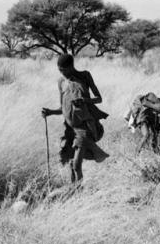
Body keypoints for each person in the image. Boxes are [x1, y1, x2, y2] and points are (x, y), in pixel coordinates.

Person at [42, 54, 109, 184]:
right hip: (70, 128)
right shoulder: (61, 82)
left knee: (76, 165)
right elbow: (63, 108)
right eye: (60, 70)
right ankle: (75, 190)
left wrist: (85, 101)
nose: (62, 73)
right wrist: (50, 112)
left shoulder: (85, 76)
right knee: (71, 162)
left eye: (64, 70)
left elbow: (99, 98)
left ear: (72, 66)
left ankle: (79, 193)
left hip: (85, 127)